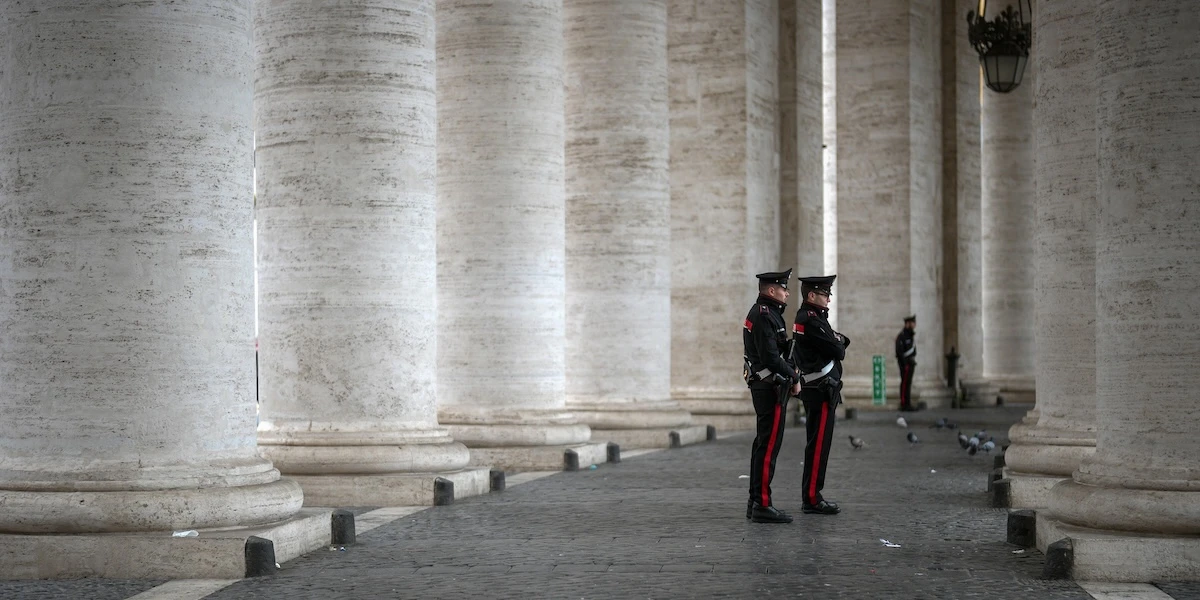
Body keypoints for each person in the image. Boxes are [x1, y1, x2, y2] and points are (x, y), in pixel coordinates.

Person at [743, 269, 802, 523]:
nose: (786, 292)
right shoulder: (766, 316)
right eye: (782, 288)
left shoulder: (766, 313)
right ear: (770, 291)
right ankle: (762, 504)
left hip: (766, 386)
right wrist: (794, 376)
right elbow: (769, 357)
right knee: (768, 447)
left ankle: (755, 500)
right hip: (769, 388)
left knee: (763, 445)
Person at [792, 274, 847, 515]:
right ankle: (812, 498)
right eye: (825, 294)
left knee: (818, 443)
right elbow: (839, 348)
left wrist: (838, 340)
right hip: (820, 389)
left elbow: (842, 341)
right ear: (812, 295)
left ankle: (812, 495)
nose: (828, 300)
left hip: (820, 389)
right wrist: (837, 341)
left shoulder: (814, 317)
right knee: (818, 445)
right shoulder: (811, 320)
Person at [895, 315, 917, 412]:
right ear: (907, 324)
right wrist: (904, 364)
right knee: (904, 384)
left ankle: (908, 403)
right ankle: (904, 403)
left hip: (911, 363)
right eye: (912, 322)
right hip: (905, 364)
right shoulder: (902, 336)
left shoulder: (910, 335)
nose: (914, 324)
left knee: (908, 383)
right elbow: (899, 352)